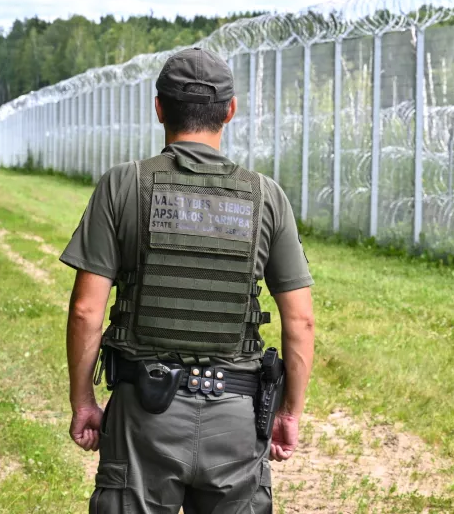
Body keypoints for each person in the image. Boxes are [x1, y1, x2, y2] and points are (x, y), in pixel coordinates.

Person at [61, 46, 315, 514]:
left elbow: (85, 311)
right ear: (230, 111)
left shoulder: (123, 185)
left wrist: (83, 401)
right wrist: (288, 412)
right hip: (236, 420)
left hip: (143, 419)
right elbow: (300, 323)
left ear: (158, 108)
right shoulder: (267, 197)